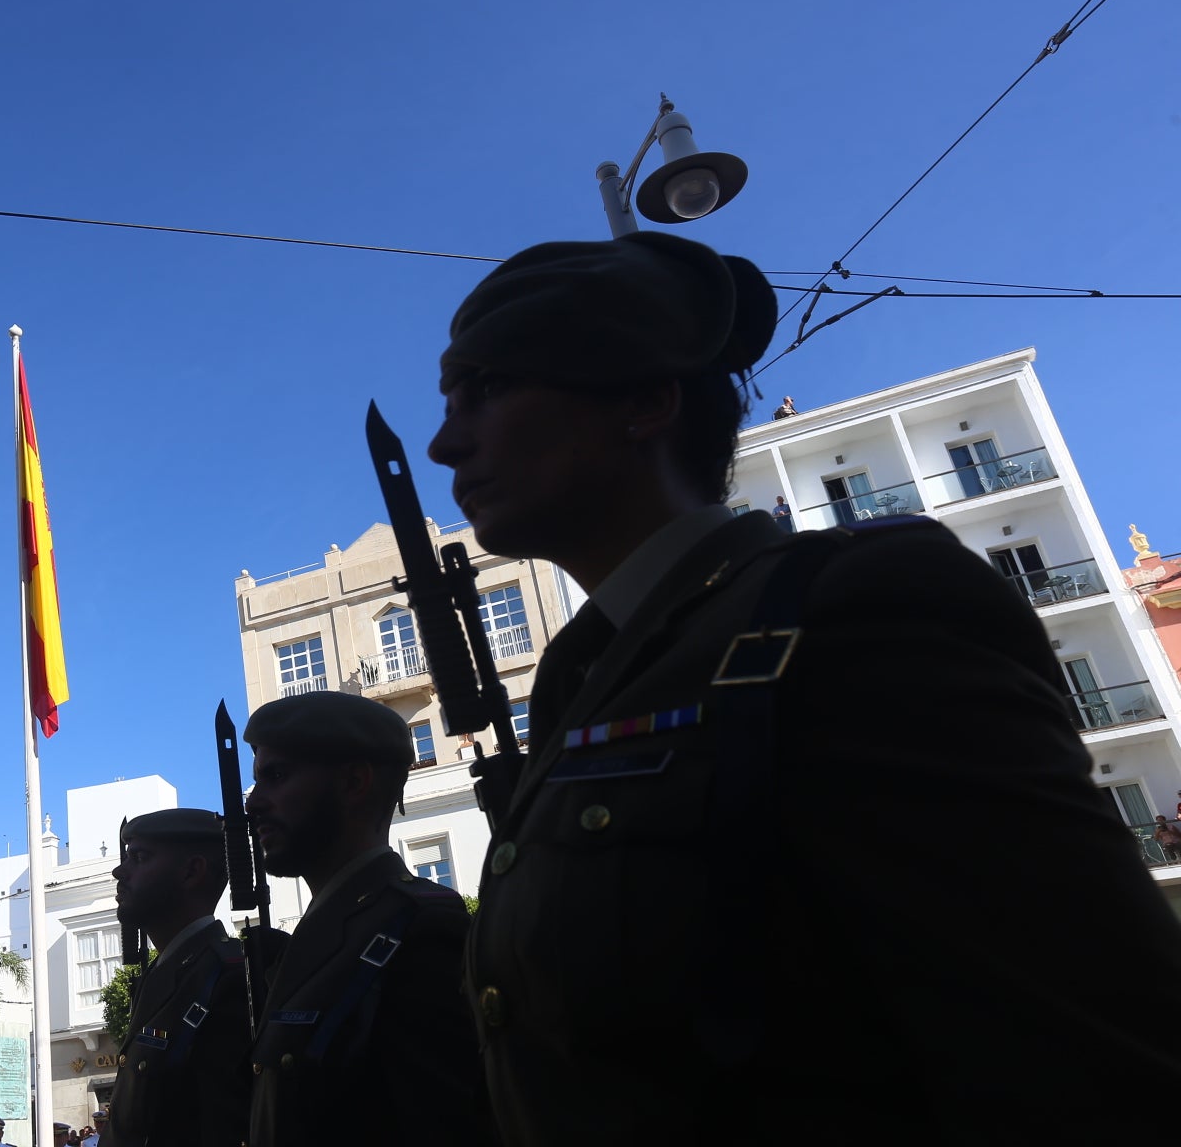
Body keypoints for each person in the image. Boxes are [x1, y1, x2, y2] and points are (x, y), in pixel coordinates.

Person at [426, 230, 1181, 1140]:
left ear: (645, 401)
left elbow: (1089, 1057)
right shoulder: (581, 678)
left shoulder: (855, 609)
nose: (443, 442)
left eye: (489, 389)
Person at [240, 693, 475, 1147]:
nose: (254, 804)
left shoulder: (420, 926)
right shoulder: (316, 939)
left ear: (353, 782)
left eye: (276, 776)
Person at [102, 809, 256, 1147]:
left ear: (192, 872)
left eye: (140, 857)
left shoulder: (230, 977)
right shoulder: (163, 975)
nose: (119, 870)